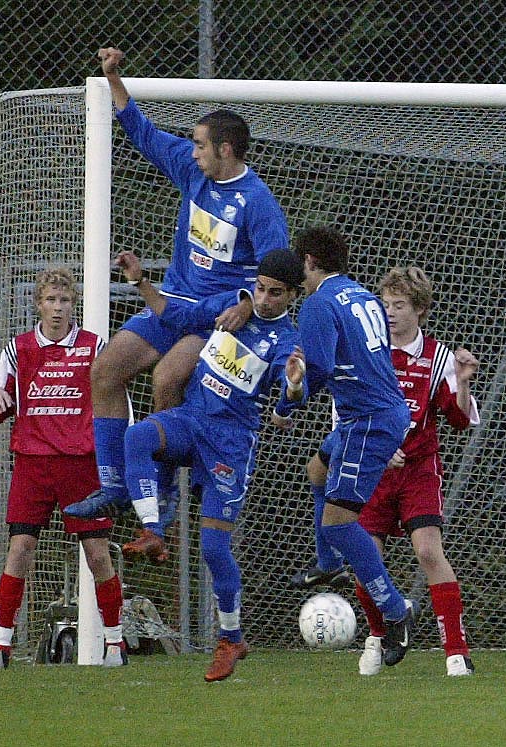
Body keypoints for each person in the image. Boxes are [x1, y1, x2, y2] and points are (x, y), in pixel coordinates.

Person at [82, 47, 290, 561]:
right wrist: (114, 78)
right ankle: (114, 484)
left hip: (210, 316)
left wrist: (244, 300)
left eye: (200, 144)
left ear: (225, 150)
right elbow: (143, 132)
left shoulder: (258, 203)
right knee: (105, 371)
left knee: (167, 380)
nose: (192, 151)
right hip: (167, 304)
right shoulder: (193, 172)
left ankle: (166, 499)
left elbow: (278, 267)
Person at [87, 247, 306, 681]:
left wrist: (295, 387)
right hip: (192, 419)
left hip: (229, 443)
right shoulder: (232, 307)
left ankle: (231, 638)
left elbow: (289, 393)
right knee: (138, 435)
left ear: (292, 297)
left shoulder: (285, 341)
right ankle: (152, 528)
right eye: (260, 288)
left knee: (213, 549)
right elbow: (178, 314)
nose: (263, 299)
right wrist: (139, 283)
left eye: (274, 293)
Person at [291, 267, 480, 676]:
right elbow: (345, 408)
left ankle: (456, 650)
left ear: (421, 311)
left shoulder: (438, 357)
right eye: (387, 304)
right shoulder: (366, 347)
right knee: (365, 555)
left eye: (400, 305)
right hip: (372, 465)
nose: (390, 312)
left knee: (428, 550)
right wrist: (377, 445)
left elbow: (460, 421)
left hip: (417, 471)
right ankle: (380, 636)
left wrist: (463, 383)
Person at [284, 226, 417, 668]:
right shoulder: (361, 295)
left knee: (340, 522)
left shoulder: (319, 303)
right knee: (316, 471)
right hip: (377, 410)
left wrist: (290, 399)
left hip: (367, 421)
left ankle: (397, 611)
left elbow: (318, 370)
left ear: (308, 262)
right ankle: (328, 563)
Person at [0, 266, 126, 669]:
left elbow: (116, 401)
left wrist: (116, 454)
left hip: (81, 465)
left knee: (97, 554)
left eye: (64, 300)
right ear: (37, 305)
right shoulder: (18, 349)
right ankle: (2, 646)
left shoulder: (95, 348)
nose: (57, 308)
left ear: (73, 303)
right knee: (20, 550)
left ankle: (115, 643)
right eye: (50, 300)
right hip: (32, 463)